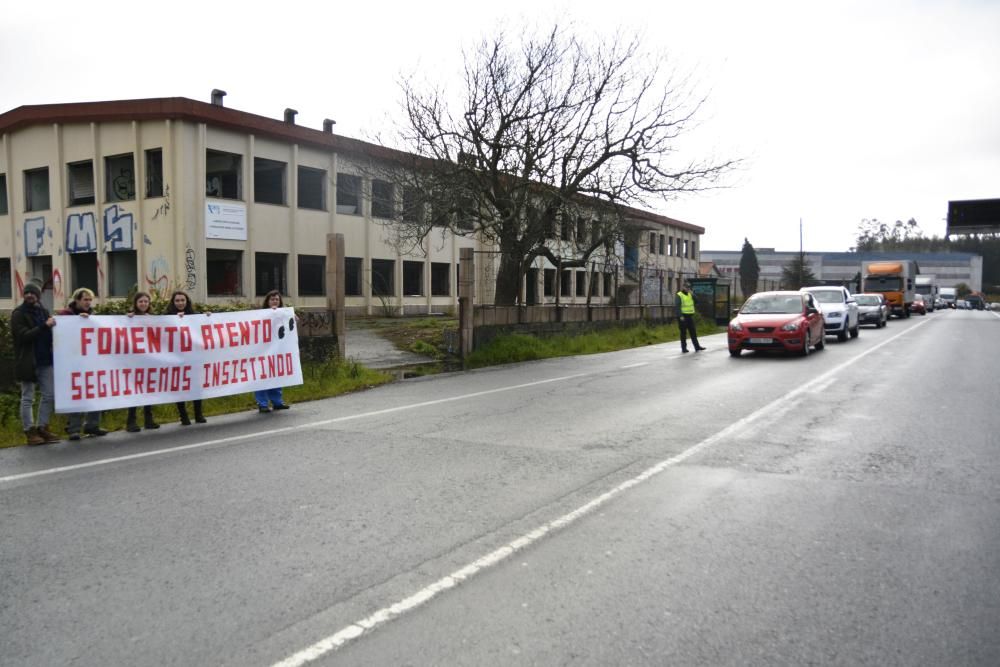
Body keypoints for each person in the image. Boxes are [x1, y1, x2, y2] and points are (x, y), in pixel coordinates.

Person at [11, 280, 61, 446]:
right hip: (28, 361)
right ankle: (29, 431)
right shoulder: (18, 313)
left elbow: (52, 329)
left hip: (45, 360)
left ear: (38, 295)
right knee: (28, 398)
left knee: (49, 395)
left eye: (33, 293)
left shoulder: (43, 311)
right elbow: (23, 336)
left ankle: (42, 427)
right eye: (27, 293)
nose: (30, 295)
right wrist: (44, 326)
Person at [59, 288, 108, 440]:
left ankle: (92, 425)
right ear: (77, 300)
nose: (88, 303)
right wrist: (77, 321)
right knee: (77, 394)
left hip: (91, 362)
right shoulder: (65, 315)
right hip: (73, 362)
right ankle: (73, 428)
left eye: (89, 300)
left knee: (95, 393)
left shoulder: (93, 316)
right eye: (85, 299)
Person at [165, 290, 207, 425]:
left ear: (187, 302)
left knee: (196, 386)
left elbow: (205, 325)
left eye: (182, 300)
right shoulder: (166, 317)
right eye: (177, 301)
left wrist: (208, 317)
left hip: (193, 358)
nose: (180, 303)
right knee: (180, 388)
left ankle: (198, 414)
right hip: (175, 358)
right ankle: (183, 416)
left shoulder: (194, 316)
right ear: (173, 302)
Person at [124, 292, 161, 432]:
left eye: (146, 301)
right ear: (136, 303)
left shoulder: (153, 318)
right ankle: (131, 421)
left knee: (148, 390)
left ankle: (148, 419)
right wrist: (128, 319)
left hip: (149, 360)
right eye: (141, 302)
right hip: (134, 361)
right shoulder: (129, 317)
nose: (144, 304)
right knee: (135, 390)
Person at [254, 290, 294, 413]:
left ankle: (277, 402)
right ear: (267, 301)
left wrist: (289, 314)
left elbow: (294, 322)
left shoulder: (283, 313)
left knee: (276, 376)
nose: (275, 301)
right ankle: (262, 404)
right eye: (272, 299)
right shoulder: (260, 314)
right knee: (262, 378)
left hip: (278, 351)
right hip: (263, 352)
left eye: (277, 299)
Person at [675, 283, 706, 353]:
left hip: (689, 316)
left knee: (693, 332)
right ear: (683, 287)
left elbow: (697, 301)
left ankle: (697, 347)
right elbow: (677, 306)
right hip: (682, 316)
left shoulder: (690, 294)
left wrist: (693, 294)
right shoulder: (679, 295)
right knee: (683, 333)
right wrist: (680, 316)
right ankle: (684, 348)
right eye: (686, 287)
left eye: (689, 287)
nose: (688, 289)